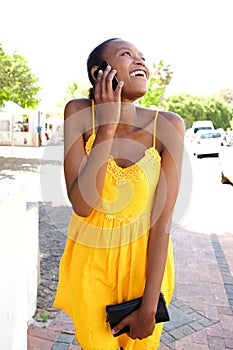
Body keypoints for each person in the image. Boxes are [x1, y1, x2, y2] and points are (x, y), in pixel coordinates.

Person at [54, 38, 184, 350]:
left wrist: (149, 306)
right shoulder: (79, 113)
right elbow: (83, 205)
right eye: (127, 54)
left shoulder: (168, 125)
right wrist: (107, 128)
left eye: (142, 56)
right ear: (100, 72)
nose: (140, 61)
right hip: (92, 266)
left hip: (146, 271)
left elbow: (161, 221)